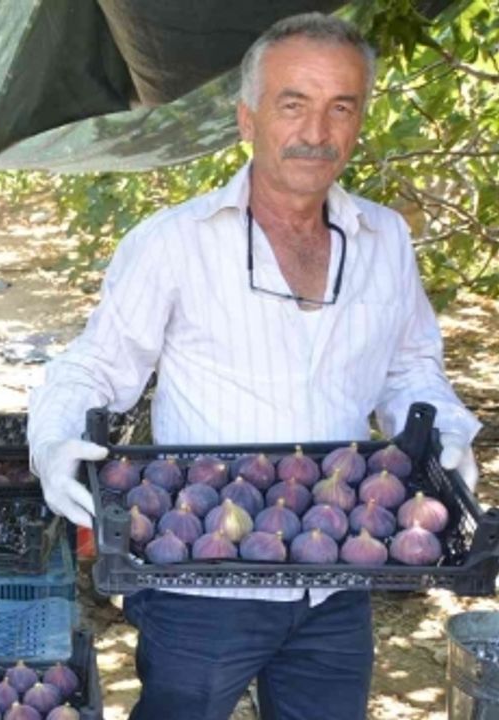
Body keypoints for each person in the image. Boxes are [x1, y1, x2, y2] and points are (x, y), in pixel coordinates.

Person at [28, 13, 481, 720]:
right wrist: (53, 442)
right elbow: (93, 369)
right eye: (292, 103)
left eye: (342, 107)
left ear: (361, 121)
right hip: (198, 578)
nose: (316, 131)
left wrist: (446, 429)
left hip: (337, 577)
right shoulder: (173, 244)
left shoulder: (385, 239)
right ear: (247, 119)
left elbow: (410, 370)